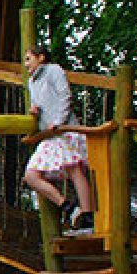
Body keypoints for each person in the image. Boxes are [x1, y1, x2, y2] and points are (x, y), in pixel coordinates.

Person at [22, 44, 95, 231]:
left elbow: (65, 96)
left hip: (64, 129)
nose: (26, 64)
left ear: (41, 57)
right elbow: (37, 103)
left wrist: (59, 121)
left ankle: (88, 216)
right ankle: (69, 207)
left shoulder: (54, 71)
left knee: (74, 169)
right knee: (31, 175)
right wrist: (34, 110)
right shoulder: (31, 82)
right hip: (49, 134)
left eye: (28, 58)